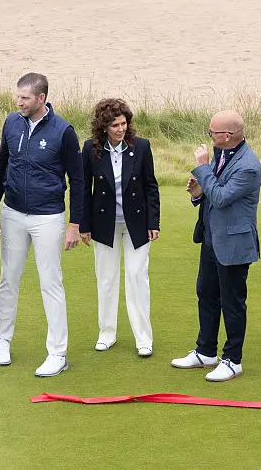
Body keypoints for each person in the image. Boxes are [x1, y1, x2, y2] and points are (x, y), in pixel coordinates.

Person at [0, 73, 85, 377]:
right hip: (13, 212)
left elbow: (78, 180)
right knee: (9, 278)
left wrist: (74, 224)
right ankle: (2, 339)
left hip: (48, 216)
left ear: (41, 98)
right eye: (18, 96)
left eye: (25, 98)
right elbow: (1, 168)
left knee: (50, 282)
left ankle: (57, 353)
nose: (19, 102)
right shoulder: (11, 123)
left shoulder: (63, 131)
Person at [171, 110, 261, 382]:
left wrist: (202, 168)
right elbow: (212, 192)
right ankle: (206, 352)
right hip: (211, 237)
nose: (209, 136)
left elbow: (221, 197)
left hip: (234, 243)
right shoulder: (220, 153)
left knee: (232, 303)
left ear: (228, 135)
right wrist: (198, 193)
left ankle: (233, 360)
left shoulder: (248, 166)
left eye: (212, 132)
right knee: (206, 294)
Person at [80, 98, 160, 357]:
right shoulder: (90, 149)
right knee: (106, 279)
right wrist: (83, 225)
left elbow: (151, 186)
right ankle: (107, 333)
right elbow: (84, 189)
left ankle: (143, 338)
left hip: (137, 223)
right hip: (104, 223)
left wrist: (153, 222)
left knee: (137, 277)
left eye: (124, 123)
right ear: (103, 127)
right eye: (115, 125)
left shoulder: (142, 147)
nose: (121, 129)